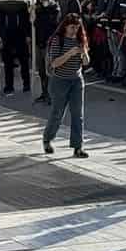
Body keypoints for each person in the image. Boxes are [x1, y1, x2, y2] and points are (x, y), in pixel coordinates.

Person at [42, 11, 89, 158]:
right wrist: (70, 53)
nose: (75, 30)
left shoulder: (80, 40)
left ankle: (78, 147)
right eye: (72, 27)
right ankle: (47, 139)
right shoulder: (57, 40)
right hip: (60, 81)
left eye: (77, 27)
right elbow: (54, 63)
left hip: (76, 80)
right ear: (66, 27)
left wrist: (83, 53)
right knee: (57, 113)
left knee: (77, 114)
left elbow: (86, 62)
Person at [0, 0, 31, 97]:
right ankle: (9, 86)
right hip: (6, 37)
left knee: (24, 62)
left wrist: (28, 35)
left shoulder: (22, 5)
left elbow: (27, 22)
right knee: (8, 64)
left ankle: (26, 84)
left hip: (20, 36)